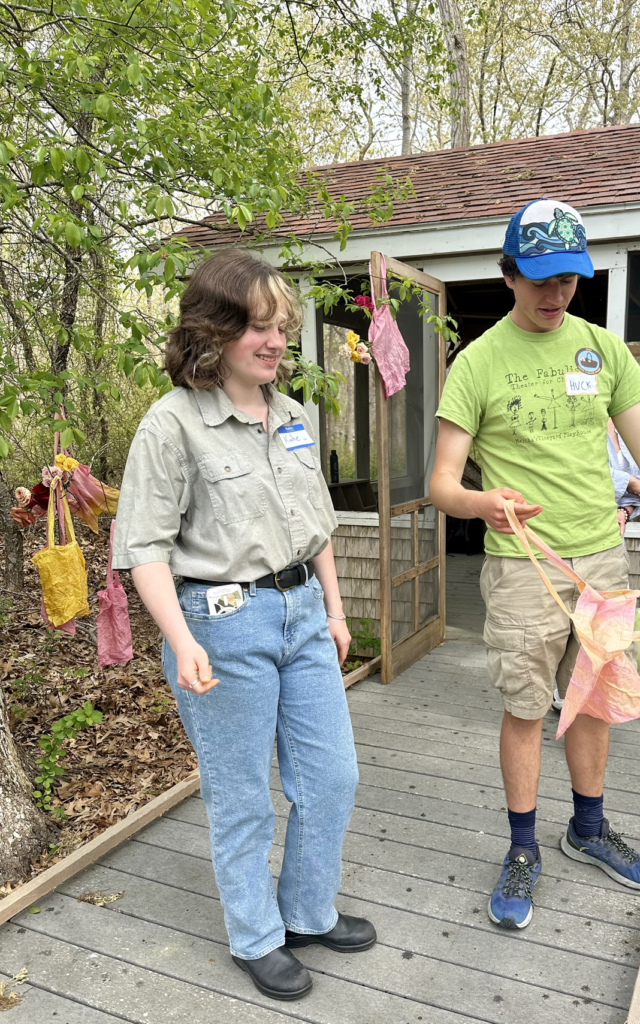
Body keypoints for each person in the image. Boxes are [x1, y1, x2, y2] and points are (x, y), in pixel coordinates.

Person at [429, 197, 640, 931]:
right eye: (540, 279)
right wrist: (483, 503)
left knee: (596, 696)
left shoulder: (601, 350)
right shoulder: (475, 364)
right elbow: (441, 483)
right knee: (523, 707)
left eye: (569, 279)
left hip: (603, 560)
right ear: (508, 274)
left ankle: (589, 828)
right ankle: (520, 847)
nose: (555, 294)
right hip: (523, 566)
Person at [112, 250, 374, 1000]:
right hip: (220, 625)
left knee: (331, 779)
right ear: (213, 330)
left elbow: (315, 527)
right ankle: (256, 936)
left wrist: (334, 609)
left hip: (303, 618)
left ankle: (307, 912)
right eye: (257, 326)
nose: (274, 341)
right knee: (241, 795)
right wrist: (182, 639)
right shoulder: (171, 426)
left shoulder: (289, 415)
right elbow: (144, 550)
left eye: (281, 327)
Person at [551, 418, 640, 711]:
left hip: (611, 542)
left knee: (603, 628)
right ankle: (564, 694)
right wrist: (628, 483)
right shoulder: (580, 423)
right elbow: (575, 473)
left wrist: (623, 509)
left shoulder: (625, 430)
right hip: (571, 538)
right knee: (570, 625)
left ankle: (586, 697)